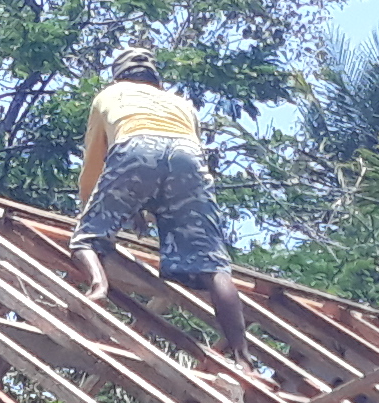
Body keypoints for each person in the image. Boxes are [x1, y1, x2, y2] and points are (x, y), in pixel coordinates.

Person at [70, 43, 248, 351]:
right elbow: (171, 165)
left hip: (135, 145)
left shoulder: (109, 96)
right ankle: (243, 357)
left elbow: (95, 164)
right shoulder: (181, 104)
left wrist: (89, 207)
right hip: (188, 158)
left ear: (118, 76)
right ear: (155, 78)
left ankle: (99, 287)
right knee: (213, 266)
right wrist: (140, 206)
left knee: (87, 239)